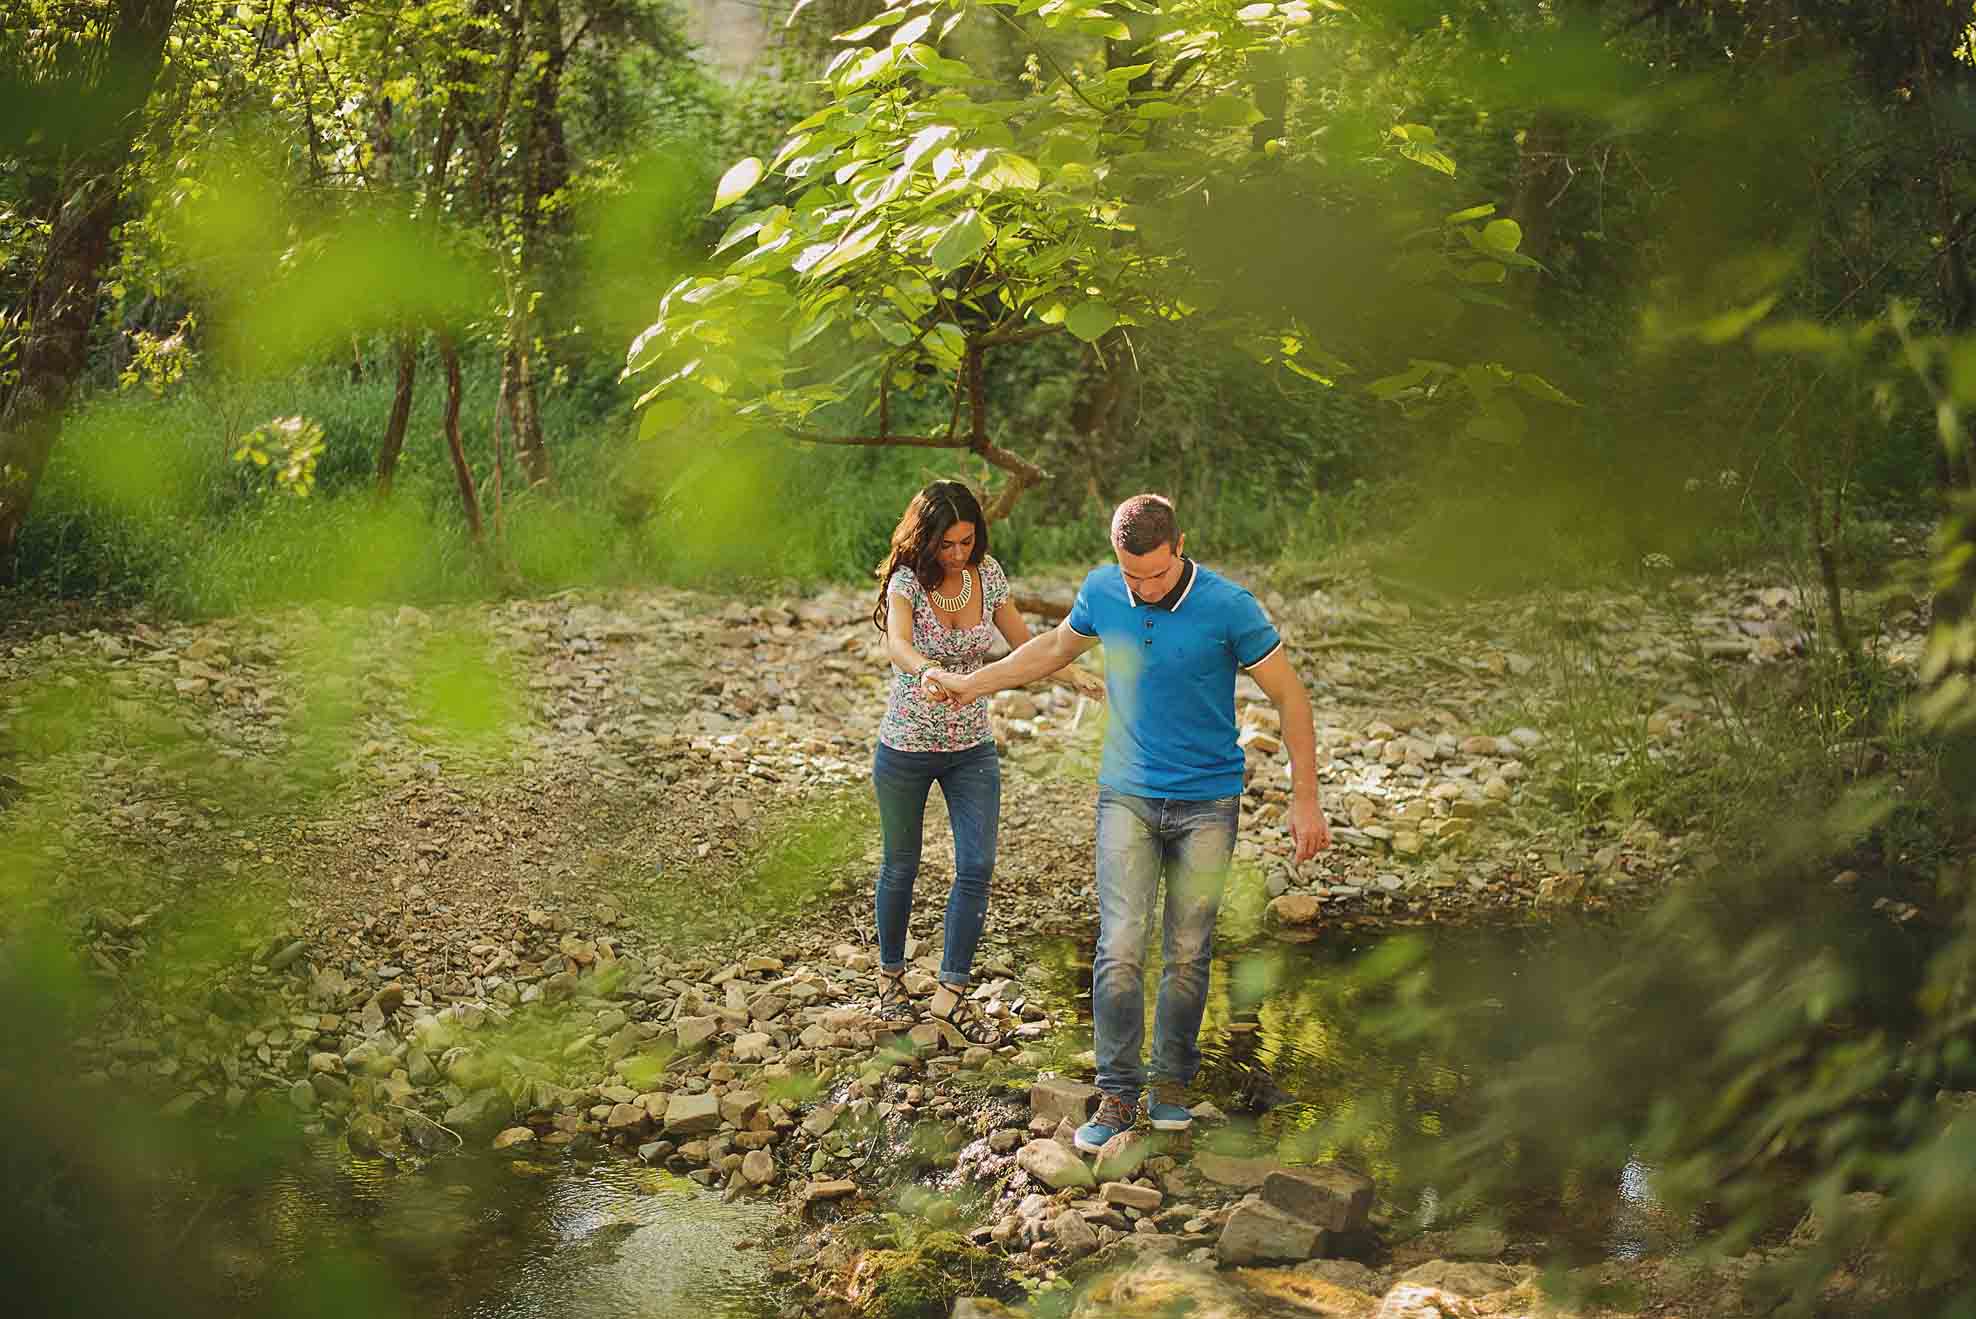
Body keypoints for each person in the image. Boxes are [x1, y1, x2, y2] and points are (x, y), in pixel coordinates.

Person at [927, 494, 1329, 1149]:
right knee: (1118, 947)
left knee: (1189, 950)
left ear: (1180, 547)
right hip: (1127, 797)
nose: (1141, 588)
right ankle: (1117, 1092)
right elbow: (1053, 649)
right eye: (1130, 574)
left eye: (1156, 575)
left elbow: (1290, 695)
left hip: (1207, 801)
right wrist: (974, 684)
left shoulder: (1228, 606)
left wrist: (1303, 794)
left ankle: (1172, 1085)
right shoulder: (1104, 589)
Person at [867, 480, 1031, 1049]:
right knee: (900, 866)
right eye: (947, 544)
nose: (959, 554)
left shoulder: (989, 576)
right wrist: (928, 671)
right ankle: (890, 980)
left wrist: (1077, 675)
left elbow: (1026, 647)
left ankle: (950, 994)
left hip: (972, 750)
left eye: (967, 541)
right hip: (905, 749)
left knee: (978, 866)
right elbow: (898, 645)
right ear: (925, 539)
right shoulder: (906, 581)